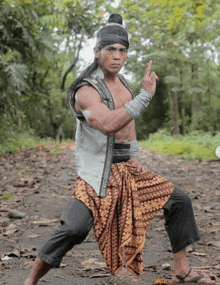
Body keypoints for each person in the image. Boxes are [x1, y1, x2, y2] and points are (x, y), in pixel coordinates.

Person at [24, 14, 217, 285]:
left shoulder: (124, 84)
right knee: (75, 228)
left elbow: (129, 125)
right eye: (110, 50)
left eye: (122, 50)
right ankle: (30, 280)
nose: (116, 56)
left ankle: (181, 271)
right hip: (98, 174)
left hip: (128, 169)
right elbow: (107, 125)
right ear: (97, 52)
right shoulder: (86, 90)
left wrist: (136, 155)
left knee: (179, 201)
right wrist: (145, 96)